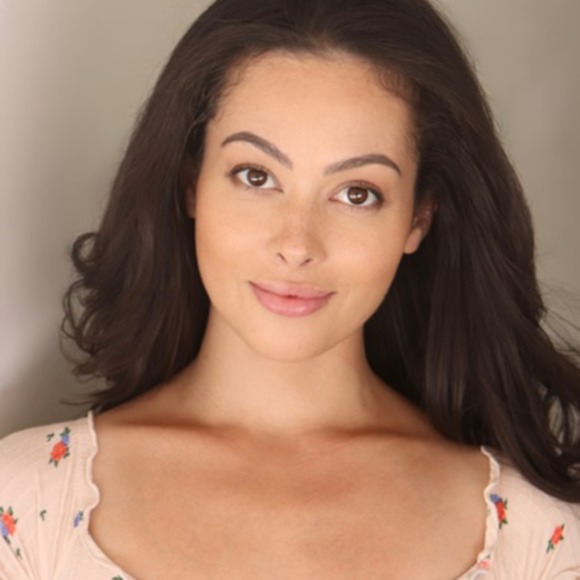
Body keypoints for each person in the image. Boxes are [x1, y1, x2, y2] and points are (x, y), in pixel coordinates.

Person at [1, 0, 579, 577]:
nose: (297, 244)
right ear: (191, 185)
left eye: (356, 193)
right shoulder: (23, 505)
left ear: (418, 219)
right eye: (256, 176)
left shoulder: (538, 536)